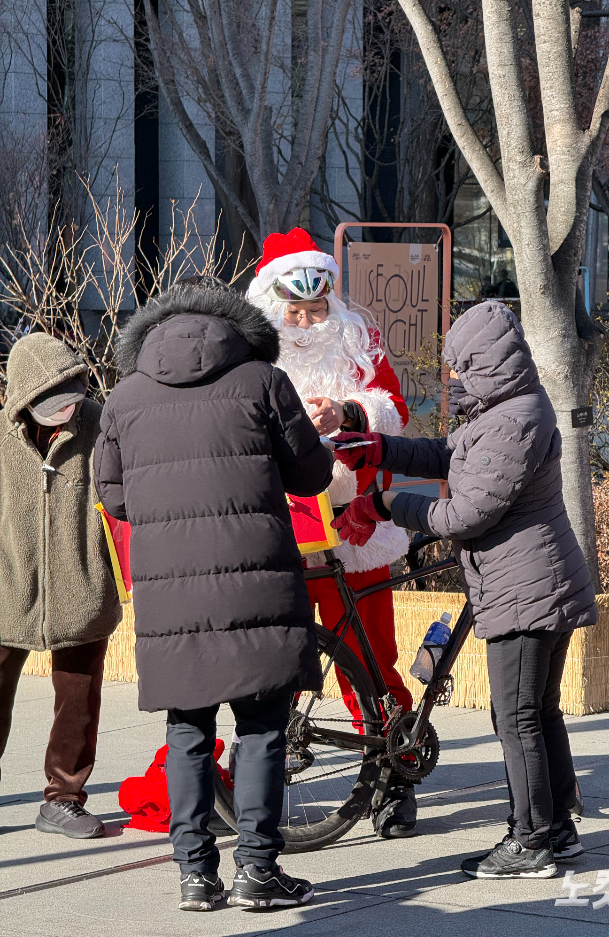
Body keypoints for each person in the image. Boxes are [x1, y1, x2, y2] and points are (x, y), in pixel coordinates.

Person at [332, 301, 597, 879]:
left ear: (487, 361)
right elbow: (450, 455)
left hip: (526, 586)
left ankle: (530, 840)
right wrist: (379, 448)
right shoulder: (502, 409)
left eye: (460, 366)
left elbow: (468, 512)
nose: (452, 377)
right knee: (537, 712)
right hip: (527, 580)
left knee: (516, 718)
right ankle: (557, 830)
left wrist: (383, 503)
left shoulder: (516, 419)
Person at [94, 277, 332, 911]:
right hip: (258, 579)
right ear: (236, 321)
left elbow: (112, 494)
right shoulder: (263, 381)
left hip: (171, 591)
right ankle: (257, 869)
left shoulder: (125, 397)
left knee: (188, 730)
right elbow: (311, 475)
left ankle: (195, 874)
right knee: (260, 728)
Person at [248, 227, 418, 838]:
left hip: (352, 526)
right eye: (295, 309)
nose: (308, 320)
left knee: (372, 657)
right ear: (272, 305)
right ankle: (280, 756)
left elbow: (393, 411)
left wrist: (348, 414)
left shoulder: (360, 341)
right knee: (278, 654)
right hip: (283, 526)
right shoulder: (252, 355)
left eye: (317, 308)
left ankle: (395, 774)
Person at [0, 333, 121, 839]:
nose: (64, 413)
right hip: (7, 590)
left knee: (79, 702)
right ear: (24, 397)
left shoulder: (101, 425)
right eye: (50, 403)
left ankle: (63, 798)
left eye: (70, 398)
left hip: (84, 590)